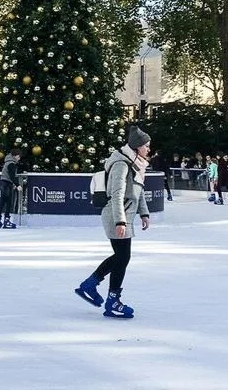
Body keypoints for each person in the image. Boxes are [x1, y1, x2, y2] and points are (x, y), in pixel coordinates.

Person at [74, 125, 151, 319]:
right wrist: (120, 222)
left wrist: (144, 213)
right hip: (117, 215)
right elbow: (117, 194)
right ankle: (105, 295)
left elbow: (137, 191)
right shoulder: (121, 164)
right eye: (146, 146)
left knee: (122, 257)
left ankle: (96, 289)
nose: (149, 149)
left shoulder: (136, 164)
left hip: (126, 216)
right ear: (136, 147)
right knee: (122, 257)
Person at [0, 148, 21, 229]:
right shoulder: (11, 164)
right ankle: (6, 220)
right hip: (7, 184)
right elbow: (12, 175)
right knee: (8, 202)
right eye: (18, 156)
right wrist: (17, 185)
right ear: (15, 156)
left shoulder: (7, 162)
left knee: (2, 202)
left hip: (4, 183)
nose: (19, 158)